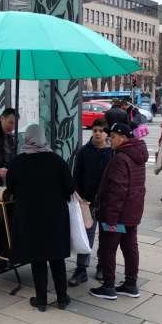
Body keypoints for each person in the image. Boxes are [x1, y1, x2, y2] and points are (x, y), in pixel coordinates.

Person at [6, 124, 75, 312]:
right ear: (43, 138)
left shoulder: (17, 163)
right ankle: (62, 298)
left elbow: (10, 188)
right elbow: (70, 188)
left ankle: (42, 300)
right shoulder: (56, 160)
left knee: (38, 259)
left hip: (30, 219)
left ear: (27, 139)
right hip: (55, 218)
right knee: (57, 258)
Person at [90, 123, 148, 300]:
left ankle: (108, 286)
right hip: (132, 212)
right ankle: (131, 284)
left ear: (122, 138)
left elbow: (117, 191)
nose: (110, 140)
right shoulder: (137, 154)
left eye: (113, 137)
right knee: (130, 248)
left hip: (118, 215)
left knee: (108, 248)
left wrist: (111, 219)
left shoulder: (120, 159)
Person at [68, 118, 113, 286]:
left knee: (107, 234)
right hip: (87, 202)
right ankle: (81, 270)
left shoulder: (112, 153)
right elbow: (76, 176)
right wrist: (79, 197)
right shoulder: (84, 151)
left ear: (106, 133)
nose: (97, 133)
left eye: (101, 131)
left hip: (107, 203)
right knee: (86, 234)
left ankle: (102, 266)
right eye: (95, 130)